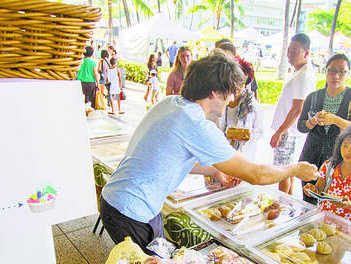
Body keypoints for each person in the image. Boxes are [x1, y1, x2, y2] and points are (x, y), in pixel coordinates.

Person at [100, 50, 320, 252]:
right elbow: (256, 174)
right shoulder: (194, 123)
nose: (232, 99)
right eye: (230, 93)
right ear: (214, 93)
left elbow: (169, 160)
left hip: (126, 203)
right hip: (129, 211)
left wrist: (214, 172)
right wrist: (295, 169)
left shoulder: (172, 104)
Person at [297, 53, 351, 205]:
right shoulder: (314, 97)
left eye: (342, 71)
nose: (336, 75)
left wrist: (335, 120)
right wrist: (313, 121)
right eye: (332, 70)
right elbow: (301, 126)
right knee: (308, 201)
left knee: (332, 204)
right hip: (312, 158)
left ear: (348, 73)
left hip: (339, 162)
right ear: (326, 71)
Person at [270, 33, 317, 195]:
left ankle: (282, 204)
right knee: (286, 171)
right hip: (287, 131)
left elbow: (298, 109)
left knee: (282, 172)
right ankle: (285, 205)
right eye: (289, 51)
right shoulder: (299, 72)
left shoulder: (304, 75)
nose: (290, 55)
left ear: (306, 53)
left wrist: (279, 131)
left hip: (288, 133)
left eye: (295, 51)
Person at [303, 123, 351, 223]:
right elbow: (318, 191)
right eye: (345, 145)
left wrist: (350, 206)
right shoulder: (329, 166)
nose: (348, 151)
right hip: (323, 220)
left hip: (346, 226)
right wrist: (311, 190)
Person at [219, 58, 263, 160]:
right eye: (234, 82)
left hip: (244, 157)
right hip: (221, 154)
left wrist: (246, 134)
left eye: (241, 83)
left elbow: (259, 131)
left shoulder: (251, 105)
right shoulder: (220, 101)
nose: (237, 87)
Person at [77, 46, 101, 110]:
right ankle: (90, 112)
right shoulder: (92, 63)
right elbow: (95, 74)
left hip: (81, 83)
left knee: (80, 99)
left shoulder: (80, 62)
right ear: (92, 54)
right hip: (91, 83)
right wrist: (98, 84)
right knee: (92, 101)